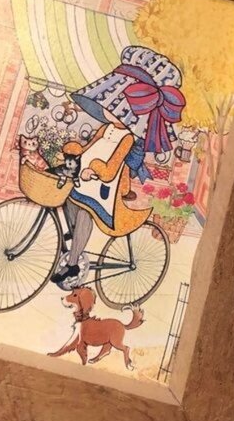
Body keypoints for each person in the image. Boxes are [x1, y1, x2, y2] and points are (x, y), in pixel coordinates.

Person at [51, 46, 186, 284]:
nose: (106, 110)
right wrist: (74, 151)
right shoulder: (106, 128)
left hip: (106, 188)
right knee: (68, 199)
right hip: (87, 180)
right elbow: (89, 146)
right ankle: (76, 239)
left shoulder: (127, 138)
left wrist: (95, 168)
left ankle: (72, 265)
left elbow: (112, 168)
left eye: (114, 106)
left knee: (85, 211)